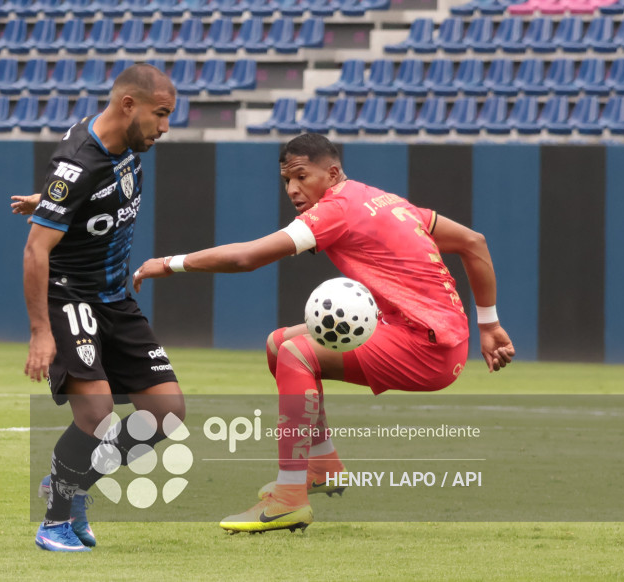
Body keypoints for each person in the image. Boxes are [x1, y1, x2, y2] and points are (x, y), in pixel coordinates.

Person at [132, 133, 515, 534]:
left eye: (301, 176)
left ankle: (288, 499)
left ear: (331, 173)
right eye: (286, 181)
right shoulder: (383, 200)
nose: (293, 189)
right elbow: (474, 242)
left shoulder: (336, 210)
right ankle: (321, 465)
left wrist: (168, 263)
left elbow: (247, 258)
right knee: (280, 345)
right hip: (430, 334)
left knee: (298, 354)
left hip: (426, 348)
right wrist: (488, 325)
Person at [16, 64, 185, 552]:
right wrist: (40, 332)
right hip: (71, 298)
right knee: (96, 411)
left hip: (117, 300)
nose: (166, 127)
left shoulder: (127, 146)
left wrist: (49, 203)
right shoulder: (78, 162)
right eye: (162, 114)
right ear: (128, 106)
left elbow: (79, 199)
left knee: (166, 413)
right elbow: (35, 251)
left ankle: (69, 487)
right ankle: (53, 522)